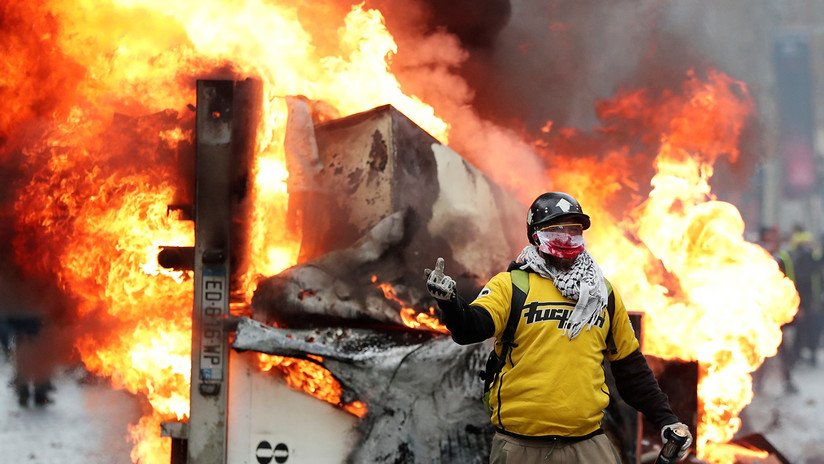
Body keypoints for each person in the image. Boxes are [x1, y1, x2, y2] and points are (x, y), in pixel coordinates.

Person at [425, 191, 692, 463]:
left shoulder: (603, 293)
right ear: (536, 235)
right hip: (521, 448)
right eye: (556, 230)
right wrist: (450, 303)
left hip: (588, 446)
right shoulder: (511, 285)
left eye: (574, 229)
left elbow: (631, 368)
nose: (567, 237)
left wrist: (666, 419)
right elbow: (471, 328)